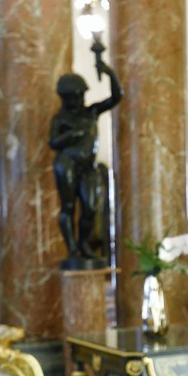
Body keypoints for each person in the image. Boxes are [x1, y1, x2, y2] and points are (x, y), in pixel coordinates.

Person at [48, 53, 121, 265]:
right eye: (75, 96)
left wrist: (108, 72)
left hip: (88, 167)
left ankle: (83, 244)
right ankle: (72, 249)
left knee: (91, 207)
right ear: (66, 98)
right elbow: (53, 142)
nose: (80, 100)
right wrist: (71, 135)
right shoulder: (61, 118)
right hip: (67, 163)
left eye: (81, 95)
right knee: (69, 206)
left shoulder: (91, 112)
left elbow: (117, 96)